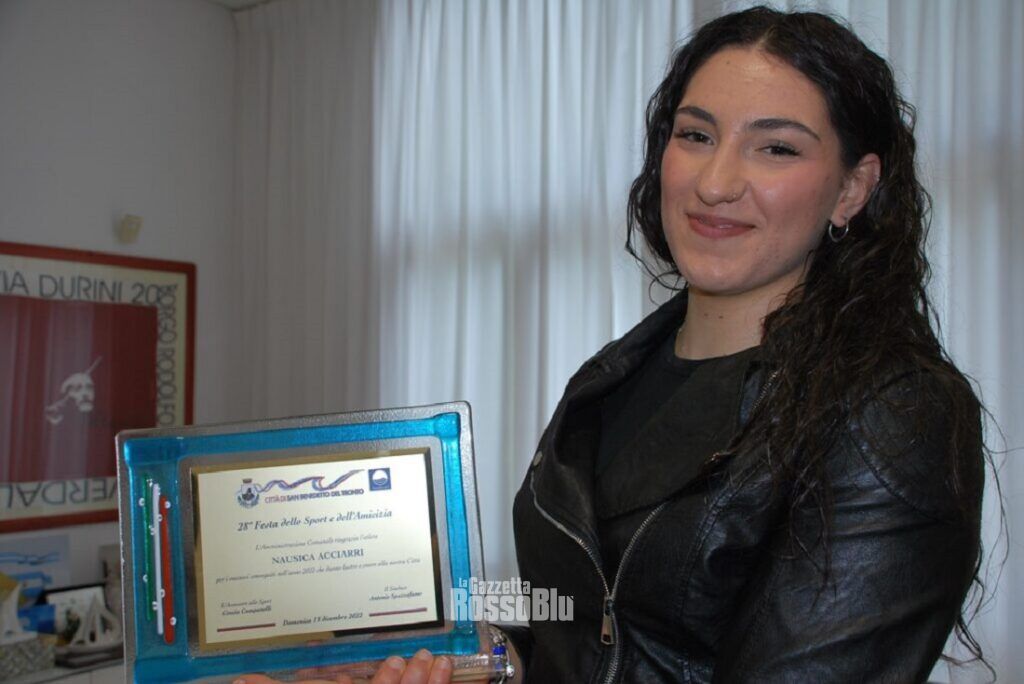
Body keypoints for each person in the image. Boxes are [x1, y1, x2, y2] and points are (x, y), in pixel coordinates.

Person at [239, 6, 985, 684]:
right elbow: (584, 630)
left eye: (776, 149)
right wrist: (469, 658)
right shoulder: (610, 382)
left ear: (852, 189)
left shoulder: (894, 413)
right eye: (696, 136)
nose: (716, 182)